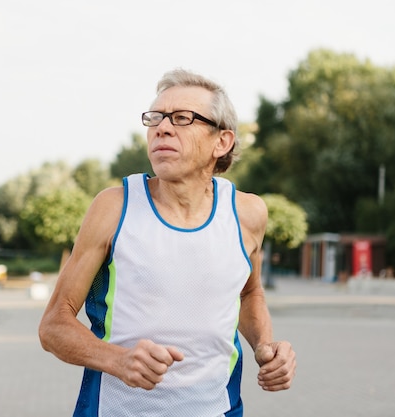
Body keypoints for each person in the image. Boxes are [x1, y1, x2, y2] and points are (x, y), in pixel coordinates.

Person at [38, 68, 296, 416]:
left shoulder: (248, 214)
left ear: (222, 141)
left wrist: (265, 345)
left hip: (219, 409)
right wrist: (118, 360)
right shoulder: (114, 207)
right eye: (155, 117)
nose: (162, 127)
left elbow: (249, 293)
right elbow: (54, 325)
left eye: (182, 118)